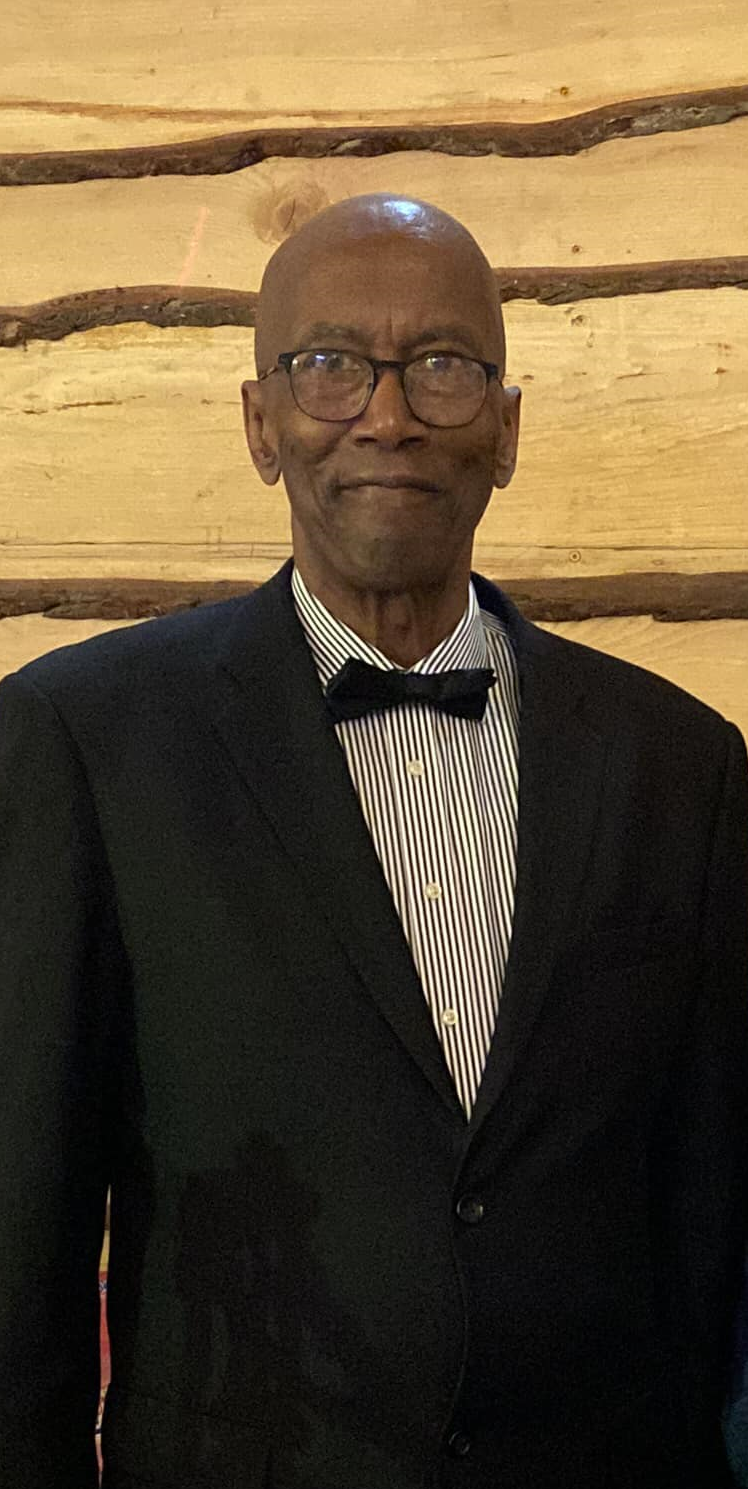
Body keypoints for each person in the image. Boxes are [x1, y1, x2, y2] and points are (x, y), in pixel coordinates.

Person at [0, 192, 747, 1489]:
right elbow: (23, 1243)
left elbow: (708, 1234)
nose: (388, 414)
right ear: (260, 423)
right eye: (330, 365)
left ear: (508, 432)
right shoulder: (85, 741)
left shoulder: (685, 769)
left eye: (443, 367)